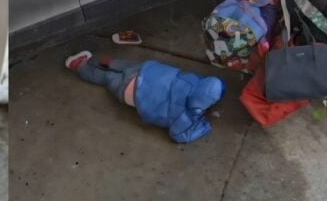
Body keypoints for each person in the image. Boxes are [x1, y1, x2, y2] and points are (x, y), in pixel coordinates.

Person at [64, 52, 226, 143]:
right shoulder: (185, 117)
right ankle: (79, 66)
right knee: (107, 79)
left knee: (125, 65)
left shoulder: (193, 80)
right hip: (131, 93)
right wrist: (203, 126)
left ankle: (110, 62)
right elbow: (180, 136)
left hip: (144, 71)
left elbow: (211, 84)